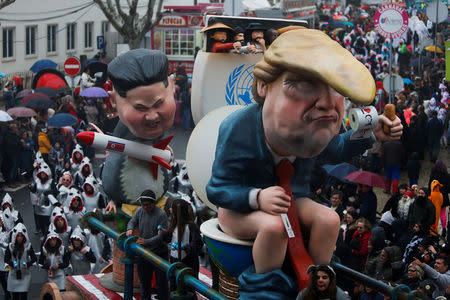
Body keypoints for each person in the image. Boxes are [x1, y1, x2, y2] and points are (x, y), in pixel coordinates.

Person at [206, 29, 402, 297]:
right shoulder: (238, 128)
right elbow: (217, 190)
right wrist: (257, 197)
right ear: (265, 86)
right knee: (273, 227)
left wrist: (368, 136)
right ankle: (265, 287)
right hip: (240, 208)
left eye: (335, 89)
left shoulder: (314, 134)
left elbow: (338, 148)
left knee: (330, 219)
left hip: (292, 199)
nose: (326, 103)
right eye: (304, 84)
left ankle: (319, 281)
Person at [102, 49, 176, 214]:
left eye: (159, 103)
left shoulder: (157, 132)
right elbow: (111, 172)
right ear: (114, 99)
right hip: (128, 200)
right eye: (140, 108)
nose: (151, 116)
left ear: (171, 87)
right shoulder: (122, 135)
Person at [126, 190, 169, 300]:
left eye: (147, 205)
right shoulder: (140, 211)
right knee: (144, 284)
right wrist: (130, 229)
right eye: (143, 204)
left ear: (153, 203)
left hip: (159, 253)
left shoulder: (161, 215)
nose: (145, 207)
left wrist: (147, 241)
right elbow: (132, 221)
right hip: (144, 253)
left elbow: (161, 236)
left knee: (162, 285)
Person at [5, 223, 37, 300]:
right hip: (13, 274)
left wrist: (28, 264)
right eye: (18, 236)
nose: (19, 238)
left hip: (24, 275)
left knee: (23, 296)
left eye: (21, 236)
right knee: (15, 297)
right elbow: (6, 259)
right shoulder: (10, 247)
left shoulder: (28, 246)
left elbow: (34, 259)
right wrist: (12, 264)